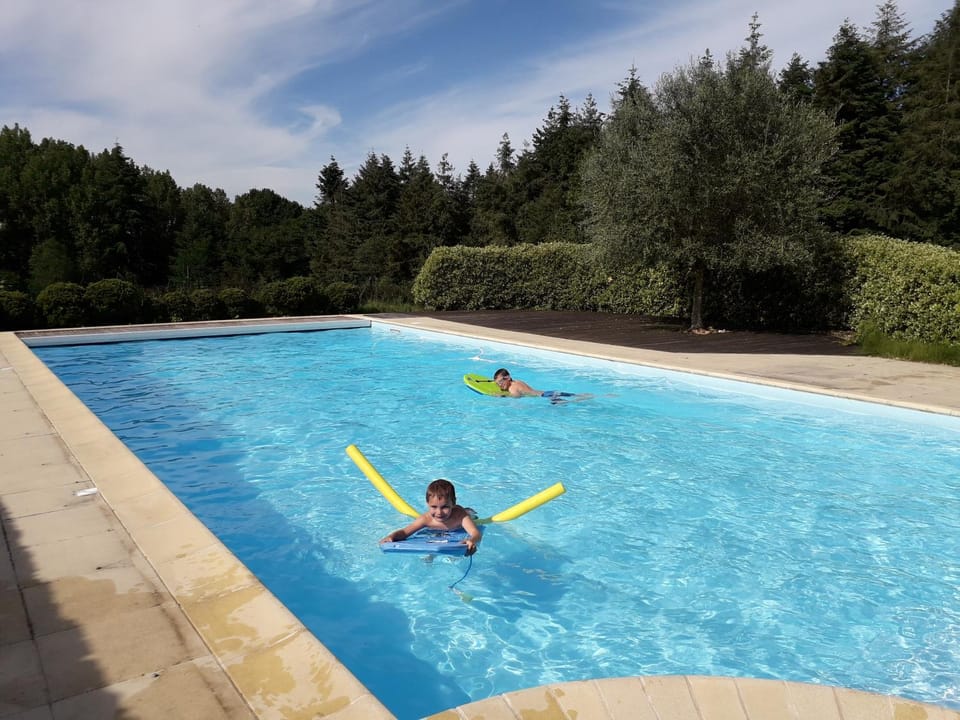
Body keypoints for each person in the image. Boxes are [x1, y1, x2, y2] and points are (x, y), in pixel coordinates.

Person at [380, 479, 482, 556]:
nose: (439, 512)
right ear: (427, 504)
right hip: (435, 532)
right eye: (433, 507)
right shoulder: (426, 519)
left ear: (453, 503)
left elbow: (475, 533)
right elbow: (405, 532)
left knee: (470, 514)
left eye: (445, 507)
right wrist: (391, 536)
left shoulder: (459, 515)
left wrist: (471, 540)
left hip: (459, 526)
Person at [493, 367, 590, 403]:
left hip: (545, 396)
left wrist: (502, 396)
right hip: (548, 392)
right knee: (575, 396)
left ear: (508, 378)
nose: (500, 385)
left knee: (572, 401)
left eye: (501, 382)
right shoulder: (517, 382)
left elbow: (517, 397)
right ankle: (590, 395)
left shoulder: (512, 388)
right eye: (498, 384)